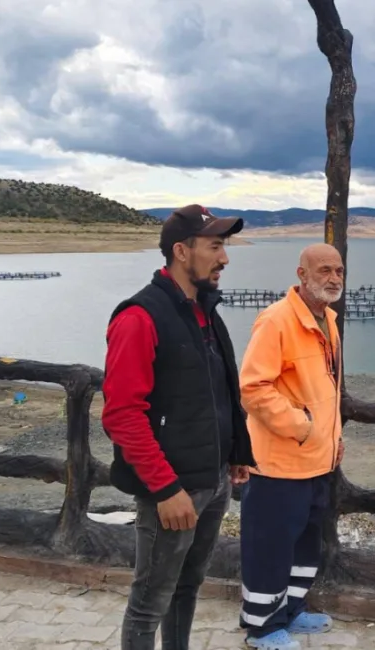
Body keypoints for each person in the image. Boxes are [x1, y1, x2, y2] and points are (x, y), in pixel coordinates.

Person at [102, 204, 257, 650]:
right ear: (181, 251)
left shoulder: (205, 312)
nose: (224, 258)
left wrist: (236, 453)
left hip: (212, 482)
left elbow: (220, 390)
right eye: (215, 246)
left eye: (223, 245)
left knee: (187, 588)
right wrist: (166, 489)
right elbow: (122, 414)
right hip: (173, 490)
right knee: (150, 601)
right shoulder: (139, 317)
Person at [237, 243, 346, 650]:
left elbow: (324, 389)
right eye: (323, 271)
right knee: (269, 546)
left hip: (317, 461)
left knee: (303, 542)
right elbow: (253, 388)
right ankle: (261, 628)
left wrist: (332, 438)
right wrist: (302, 427)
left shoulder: (327, 320)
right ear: (302, 275)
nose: (333, 278)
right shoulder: (277, 320)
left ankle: (292, 611)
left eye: (338, 271)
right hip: (279, 461)